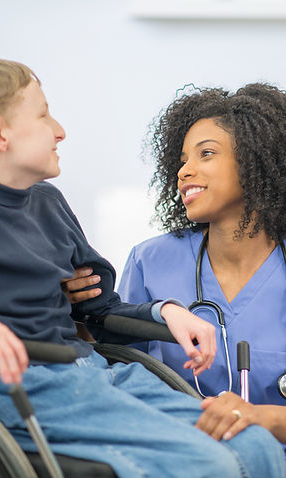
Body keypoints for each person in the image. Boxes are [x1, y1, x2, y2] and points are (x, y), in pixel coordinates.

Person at [0, 57, 283, 478]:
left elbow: (98, 310)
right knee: (207, 462)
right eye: (43, 115)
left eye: (205, 154)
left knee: (256, 444)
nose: (60, 130)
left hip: (94, 372)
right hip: (22, 385)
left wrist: (163, 310)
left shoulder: (49, 203)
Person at [113, 83, 286, 460]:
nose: (184, 171)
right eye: (182, 160)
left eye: (206, 154)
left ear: (256, 159)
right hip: (183, 457)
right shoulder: (150, 261)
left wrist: (262, 418)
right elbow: (118, 376)